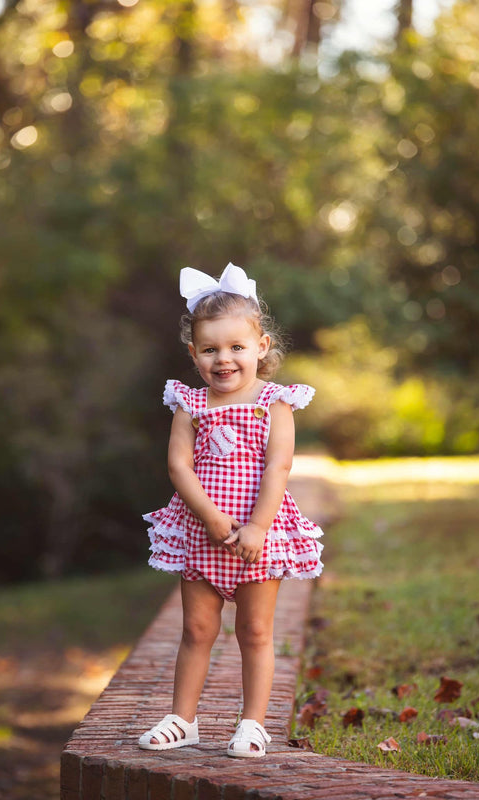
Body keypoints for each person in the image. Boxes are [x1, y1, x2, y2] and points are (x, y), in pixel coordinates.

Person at [138, 263, 324, 758]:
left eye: (237, 347)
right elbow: (179, 467)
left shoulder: (274, 403)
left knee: (256, 631)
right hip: (203, 534)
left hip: (257, 538)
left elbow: (278, 467)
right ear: (194, 353)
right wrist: (213, 520)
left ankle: (253, 723)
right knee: (197, 629)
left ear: (261, 347)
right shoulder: (190, 404)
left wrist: (257, 526)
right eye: (211, 349)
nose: (224, 359)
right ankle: (184, 719)